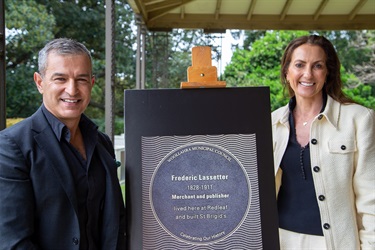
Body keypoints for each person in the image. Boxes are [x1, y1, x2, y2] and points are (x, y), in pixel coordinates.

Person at [0, 38, 126, 249]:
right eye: (60, 79)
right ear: (40, 82)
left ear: (92, 84)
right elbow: (13, 242)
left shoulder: (102, 142)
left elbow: (113, 223)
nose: (72, 90)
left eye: (81, 80)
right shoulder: (11, 146)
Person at [272, 35, 375, 249]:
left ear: (327, 72)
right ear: (286, 71)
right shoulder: (271, 123)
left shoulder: (358, 119)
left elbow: (370, 199)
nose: (307, 74)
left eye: (317, 66)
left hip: (335, 243)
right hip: (280, 240)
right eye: (299, 65)